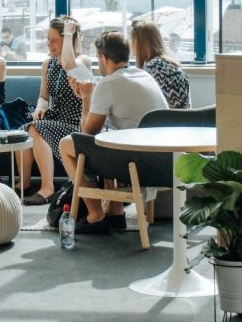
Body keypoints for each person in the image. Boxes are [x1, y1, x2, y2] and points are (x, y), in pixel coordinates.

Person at [58, 31, 169, 233]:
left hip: (138, 164)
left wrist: (86, 98)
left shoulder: (108, 84)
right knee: (107, 144)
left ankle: (95, 214)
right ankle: (116, 213)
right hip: (163, 162)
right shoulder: (144, 75)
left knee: (66, 144)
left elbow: (86, 135)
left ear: (103, 57)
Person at [18, 16, 92, 205]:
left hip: (74, 122)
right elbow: (43, 96)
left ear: (69, 39)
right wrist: (41, 107)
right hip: (55, 117)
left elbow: (69, 62)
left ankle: (47, 188)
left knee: (36, 128)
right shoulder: (48, 64)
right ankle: (24, 185)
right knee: (27, 129)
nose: (49, 45)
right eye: (48, 40)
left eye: (55, 40)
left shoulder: (81, 61)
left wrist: (69, 35)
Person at [131, 21, 191, 109]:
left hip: (165, 121)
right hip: (184, 120)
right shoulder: (173, 64)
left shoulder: (152, 69)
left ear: (138, 44)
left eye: (132, 41)